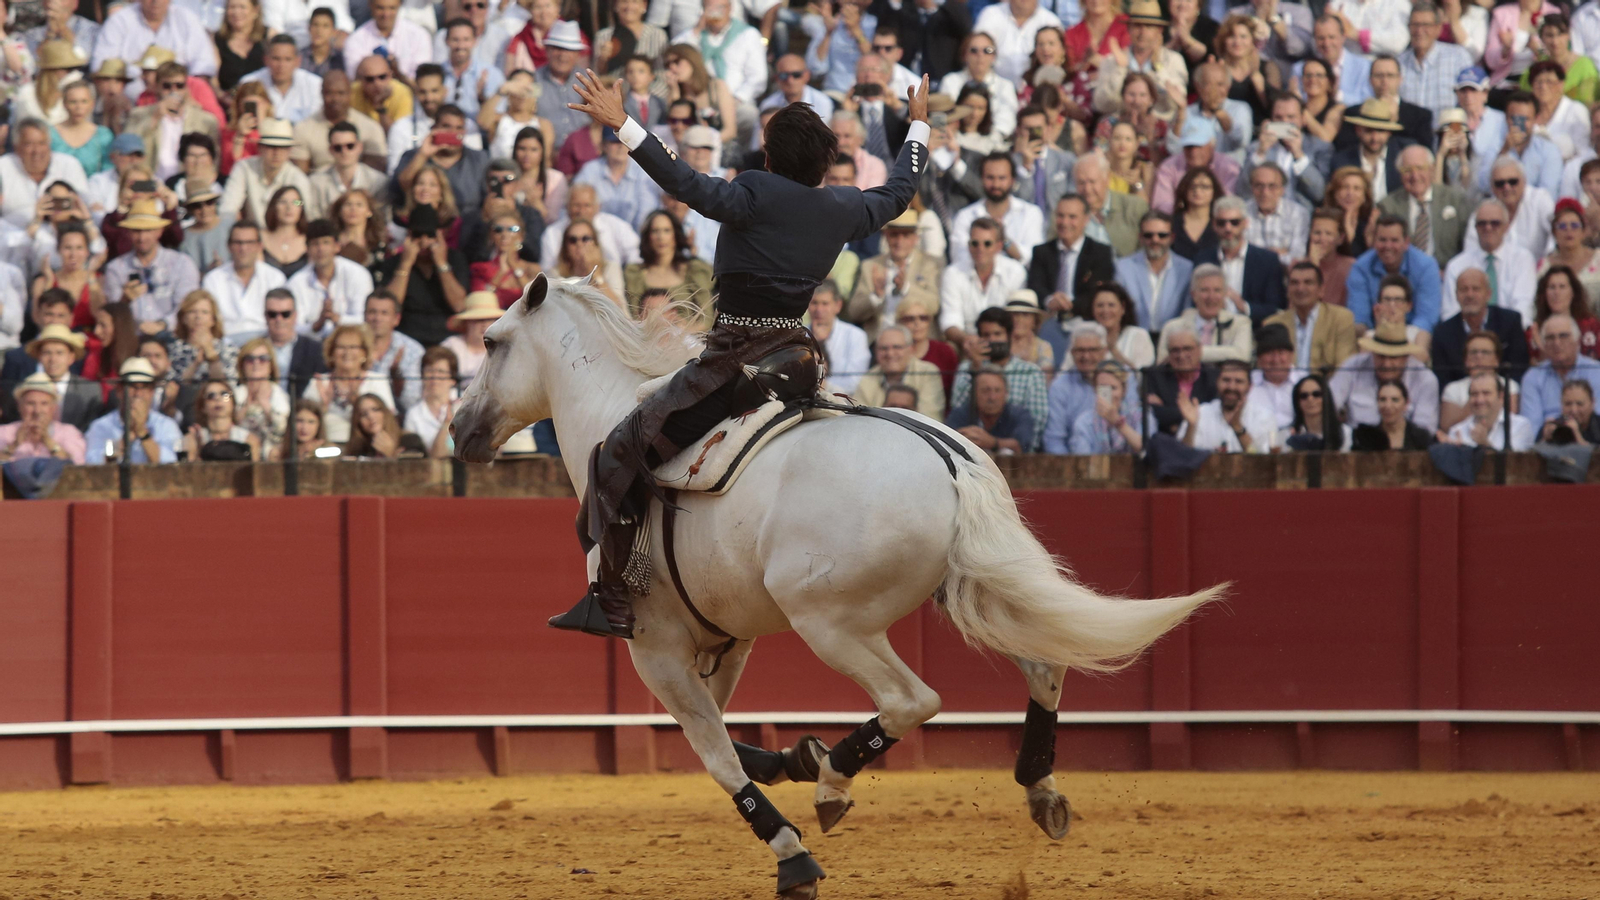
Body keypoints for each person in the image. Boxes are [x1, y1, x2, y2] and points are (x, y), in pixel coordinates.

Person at [548, 68, 930, 637]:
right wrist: (918, 124)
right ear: (823, 164)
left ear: (771, 160)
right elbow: (900, 191)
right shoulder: (843, 208)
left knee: (616, 451)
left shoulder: (754, 192)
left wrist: (621, 123)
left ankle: (613, 595)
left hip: (734, 362)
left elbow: (684, 182)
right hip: (799, 361)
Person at [103, 200, 202, 328]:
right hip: (132, 337)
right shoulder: (116, 268)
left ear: (159, 231)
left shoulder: (181, 263)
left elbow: (187, 305)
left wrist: (162, 325)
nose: (142, 238)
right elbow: (112, 316)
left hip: (172, 335)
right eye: (136, 231)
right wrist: (124, 300)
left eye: (148, 230)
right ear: (128, 232)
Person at [1329, 320, 1441, 433]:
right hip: (1356, 445)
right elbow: (1328, 404)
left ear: (1406, 356)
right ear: (1372, 352)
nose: (1386, 364)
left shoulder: (1425, 379)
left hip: (1406, 447)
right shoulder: (1353, 366)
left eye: (1393, 357)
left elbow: (1424, 430)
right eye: (1381, 356)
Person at [845, 209, 939, 341]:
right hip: (879, 342)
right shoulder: (870, 266)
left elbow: (934, 305)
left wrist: (905, 288)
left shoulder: (929, 264)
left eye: (906, 235)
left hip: (916, 341)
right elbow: (854, 312)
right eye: (894, 235)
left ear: (915, 238)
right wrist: (875, 296)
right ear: (886, 236)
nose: (899, 241)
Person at [1441, 199, 1537, 324]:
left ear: (1506, 227)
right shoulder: (1457, 265)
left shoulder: (1522, 259)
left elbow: (1523, 309)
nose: (1488, 228)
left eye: (1495, 223)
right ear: (1475, 227)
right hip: (1467, 337)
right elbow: (1450, 312)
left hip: (1510, 335)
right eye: (1482, 223)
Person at [1376, 145, 1468, 270]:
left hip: (1447, 273)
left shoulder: (1455, 200)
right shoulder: (1388, 206)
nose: (1415, 176)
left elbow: (1467, 246)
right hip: (1403, 276)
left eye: (1420, 168)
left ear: (1432, 169)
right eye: (1407, 170)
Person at [91, 0, 218, 88]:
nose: (155, 1)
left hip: (179, 87)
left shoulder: (187, 18)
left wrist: (188, 88)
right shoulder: (119, 20)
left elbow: (204, 64)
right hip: (131, 90)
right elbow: (101, 65)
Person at [1347, 215, 1441, 333]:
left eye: (1394, 240)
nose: (1388, 246)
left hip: (1414, 334)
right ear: (1374, 241)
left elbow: (1427, 317)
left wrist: (1402, 338)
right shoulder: (1360, 268)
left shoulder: (1426, 266)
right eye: (1382, 240)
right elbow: (1359, 317)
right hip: (1375, 334)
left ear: (1406, 242)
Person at [942, 216, 1029, 345]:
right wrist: (967, 341)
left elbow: (1016, 320)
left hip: (1005, 344)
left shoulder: (1015, 272)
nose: (980, 249)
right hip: (967, 344)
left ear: (999, 246)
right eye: (975, 243)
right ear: (969, 245)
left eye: (987, 244)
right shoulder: (953, 273)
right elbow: (950, 321)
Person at [305, 323, 396, 443]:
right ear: (331, 353)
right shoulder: (319, 383)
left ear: (364, 353)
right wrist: (322, 408)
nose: (347, 352)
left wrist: (358, 406)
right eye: (341, 347)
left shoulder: (377, 381)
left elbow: (389, 423)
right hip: (326, 448)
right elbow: (303, 422)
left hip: (367, 447)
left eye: (353, 347)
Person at [1264, 261, 1358, 377]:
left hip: (1326, 391)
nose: (1300, 288)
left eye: (1308, 283)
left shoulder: (1341, 319)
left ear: (1321, 290)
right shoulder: (1273, 324)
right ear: (1288, 290)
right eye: (1294, 283)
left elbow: (1344, 369)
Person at [83, 356, 181, 464]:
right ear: (119, 391)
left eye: (144, 387)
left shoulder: (165, 425)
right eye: (132, 387)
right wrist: (125, 440)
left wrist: (142, 432)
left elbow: (170, 464)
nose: (138, 394)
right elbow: (92, 463)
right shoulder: (101, 426)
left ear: (152, 392)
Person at [286, 219, 375, 336]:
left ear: (337, 247)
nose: (320, 249)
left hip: (352, 341)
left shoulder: (357, 274)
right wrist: (318, 324)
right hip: (311, 346)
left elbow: (365, 318)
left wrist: (337, 319)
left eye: (326, 242)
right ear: (307, 249)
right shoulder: (296, 282)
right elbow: (293, 327)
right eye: (315, 244)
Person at [220, 119, 312, 229]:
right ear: (260, 148)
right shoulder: (244, 168)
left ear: (289, 151)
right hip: (252, 238)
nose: (276, 153)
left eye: (282, 148)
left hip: (284, 235)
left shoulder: (297, 178)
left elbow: (302, 206)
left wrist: (292, 203)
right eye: (271, 147)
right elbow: (229, 207)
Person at [201, 221, 286, 341]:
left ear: (259, 246)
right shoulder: (213, 279)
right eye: (238, 243)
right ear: (229, 246)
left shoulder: (275, 278)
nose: (243, 248)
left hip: (266, 340)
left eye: (249, 242)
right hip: (226, 341)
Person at [292, 70, 389, 174]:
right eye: (329, 93)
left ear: (350, 94)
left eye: (341, 93)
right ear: (321, 94)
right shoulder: (303, 129)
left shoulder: (371, 128)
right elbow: (300, 174)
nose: (335, 99)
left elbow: (375, 174)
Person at [1156, 263, 1252, 363]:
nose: (1211, 297)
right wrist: (1226, 352)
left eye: (1217, 290)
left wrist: (1193, 353)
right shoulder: (1172, 327)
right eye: (1204, 290)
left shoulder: (1240, 323)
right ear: (1193, 294)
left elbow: (1242, 355)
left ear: (1224, 294)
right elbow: (1163, 363)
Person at [1175, 358, 1277, 451]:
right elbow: (1184, 458)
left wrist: (1238, 428)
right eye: (1226, 380)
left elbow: (1264, 461)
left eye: (1239, 381)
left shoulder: (1264, 417)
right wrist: (1191, 426)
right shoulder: (1200, 413)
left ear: (1249, 387)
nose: (1231, 387)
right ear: (1217, 382)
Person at [1465, 156, 1554, 262]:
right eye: (1500, 183)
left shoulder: (1540, 199)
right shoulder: (1484, 212)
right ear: (1492, 188)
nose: (1506, 187)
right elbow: (1470, 253)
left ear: (1524, 181)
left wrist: (1546, 265)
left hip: (1539, 273)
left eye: (1513, 182)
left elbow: (1556, 233)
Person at [852, 323, 947, 421]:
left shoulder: (928, 373)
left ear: (911, 349)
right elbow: (858, 419)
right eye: (884, 348)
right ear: (876, 352)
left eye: (897, 347)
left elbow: (930, 419)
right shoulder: (868, 378)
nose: (890, 353)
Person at [12, 324, 100, 428]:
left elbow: (92, 429)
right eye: (47, 353)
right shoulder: (24, 389)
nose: (53, 359)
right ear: (39, 357)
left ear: (71, 357)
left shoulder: (89, 390)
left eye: (59, 353)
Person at [1521, 313, 1600, 428]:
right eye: (1550, 338)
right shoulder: (1533, 377)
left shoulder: (1596, 371)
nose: (1557, 343)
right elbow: (1532, 428)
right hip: (1548, 442)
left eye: (1563, 336)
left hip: (1591, 441)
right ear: (1544, 344)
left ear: (1577, 341)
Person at [1150, 116, 1240, 215]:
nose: (1194, 151)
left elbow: (1229, 203)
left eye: (1199, 146)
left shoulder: (1229, 167)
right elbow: (1162, 205)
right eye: (1189, 146)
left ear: (1212, 145)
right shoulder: (1169, 167)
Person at [1398, 2, 1475, 117]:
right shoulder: (1399, 62)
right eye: (1415, 25)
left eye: (1426, 25)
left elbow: (1470, 98)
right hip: (1409, 133)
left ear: (1438, 28)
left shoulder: (1458, 57)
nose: (1419, 31)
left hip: (1447, 131)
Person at [937, 32, 1018, 140]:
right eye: (974, 51)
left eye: (987, 51)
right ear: (964, 55)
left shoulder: (1005, 86)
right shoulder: (950, 81)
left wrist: (984, 144)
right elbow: (941, 117)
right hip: (953, 140)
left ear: (994, 56)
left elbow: (1006, 123)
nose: (980, 55)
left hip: (992, 144)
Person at [1481, 91, 1562, 197]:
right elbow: (1483, 186)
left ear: (1535, 119)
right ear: (1506, 118)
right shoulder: (1495, 146)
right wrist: (1504, 151)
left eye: (1525, 119)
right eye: (1514, 118)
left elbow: (1548, 193)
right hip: (1502, 208)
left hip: (1535, 210)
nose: (1519, 124)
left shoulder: (1549, 150)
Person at [1439, 330, 1522, 432]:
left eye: (1485, 352)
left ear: (1496, 360)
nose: (1478, 357)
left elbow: (1510, 418)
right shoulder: (1453, 388)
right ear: (1466, 360)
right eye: (1473, 352)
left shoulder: (1510, 385)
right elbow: (1447, 426)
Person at [0, 372, 87, 464]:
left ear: (54, 408)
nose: (37, 411)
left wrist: (48, 441)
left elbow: (78, 466)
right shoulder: (4, 432)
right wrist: (14, 445)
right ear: (19, 406)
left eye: (44, 403)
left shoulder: (69, 433)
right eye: (30, 403)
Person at [946, 365, 1035, 455]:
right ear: (974, 394)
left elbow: (1022, 446)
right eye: (985, 391)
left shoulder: (1020, 415)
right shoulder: (960, 414)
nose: (992, 397)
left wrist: (993, 443)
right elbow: (948, 441)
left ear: (1006, 393)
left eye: (997, 390)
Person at [361, 292, 425, 413]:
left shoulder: (413, 350)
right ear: (364, 316)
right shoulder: (352, 346)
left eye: (384, 313)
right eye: (372, 312)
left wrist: (397, 383)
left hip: (399, 419)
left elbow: (412, 403)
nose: (377, 318)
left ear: (396, 319)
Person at [1064, 360, 1143, 454]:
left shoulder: (1139, 415)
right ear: (1095, 389)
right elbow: (1082, 459)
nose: (1109, 394)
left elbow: (1146, 448)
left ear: (1124, 390)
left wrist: (1118, 422)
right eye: (1103, 388)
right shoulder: (1084, 422)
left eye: (1113, 388)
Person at [240, 35, 323, 125]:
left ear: (298, 61)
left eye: (287, 59)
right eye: (276, 59)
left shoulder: (315, 85)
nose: (281, 65)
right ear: (266, 60)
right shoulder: (250, 83)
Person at [1528, 263, 1600, 365]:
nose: (1557, 292)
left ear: (1573, 293)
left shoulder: (1591, 326)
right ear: (1544, 294)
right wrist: (1541, 350)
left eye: (1562, 287)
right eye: (1552, 287)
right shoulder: (1534, 332)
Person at [343, 0, 433, 81]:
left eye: (392, 8)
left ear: (400, 5)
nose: (386, 14)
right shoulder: (356, 39)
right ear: (370, 5)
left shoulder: (419, 35)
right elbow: (355, 80)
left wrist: (397, 72)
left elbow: (422, 83)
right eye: (380, 8)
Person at [1445, 371, 1535, 450]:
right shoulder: (1456, 431)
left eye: (1486, 393)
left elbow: (1513, 464)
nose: (1479, 400)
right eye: (1474, 394)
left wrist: (1485, 444)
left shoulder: (1520, 426)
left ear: (1501, 397)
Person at [1243, 163, 1309, 268]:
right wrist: (1280, 253)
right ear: (1251, 188)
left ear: (1282, 189)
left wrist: (1258, 254)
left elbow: (1297, 257)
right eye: (1259, 186)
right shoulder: (1241, 212)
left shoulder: (1298, 213)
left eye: (1272, 186)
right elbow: (1238, 255)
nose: (1265, 192)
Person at [234, 335, 290, 452]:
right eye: (249, 359)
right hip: (238, 453)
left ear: (271, 365)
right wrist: (245, 407)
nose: (256, 363)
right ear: (242, 364)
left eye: (263, 358)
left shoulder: (281, 396)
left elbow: (284, 431)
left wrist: (266, 407)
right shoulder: (231, 393)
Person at [181, 379, 259, 459]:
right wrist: (197, 448)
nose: (217, 399)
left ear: (233, 403)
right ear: (203, 407)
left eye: (224, 395)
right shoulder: (193, 438)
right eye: (211, 396)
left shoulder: (249, 440)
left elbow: (255, 470)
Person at [406, 345, 460, 458]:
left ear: (452, 379)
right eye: (430, 371)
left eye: (441, 371)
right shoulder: (413, 414)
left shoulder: (466, 404)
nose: (435, 377)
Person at [1349, 380, 1434, 451]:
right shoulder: (1367, 438)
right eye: (1382, 399)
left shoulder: (1421, 437)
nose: (1388, 406)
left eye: (1395, 400)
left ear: (1406, 403)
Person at [1087, 282, 1153, 372]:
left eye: (1111, 305)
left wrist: (1113, 350)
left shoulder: (1139, 335)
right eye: (1100, 305)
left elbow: (1142, 376)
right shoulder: (1083, 336)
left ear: (1123, 308)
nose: (1105, 310)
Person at [342, 393, 426, 458]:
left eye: (375, 409)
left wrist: (391, 455)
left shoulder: (410, 441)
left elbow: (417, 473)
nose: (370, 417)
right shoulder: (359, 449)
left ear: (385, 412)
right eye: (363, 414)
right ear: (358, 422)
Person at [215, 0, 269, 92]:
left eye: (242, 7)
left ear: (255, 10)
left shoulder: (268, 36)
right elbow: (213, 78)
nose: (236, 12)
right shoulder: (217, 39)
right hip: (226, 100)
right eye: (232, 7)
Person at [1285, 373, 1348, 451]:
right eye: (1303, 396)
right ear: (1297, 401)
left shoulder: (1346, 433)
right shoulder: (1286, 435)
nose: (1310, 399)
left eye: (1317, 394)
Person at [331, 188, 387, 268]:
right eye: (348, 204)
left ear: (369, 211)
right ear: (339, 211)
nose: (353, 209)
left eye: (359, 205)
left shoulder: (377, 243)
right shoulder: (332, 241)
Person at [261, 185, 309, 277]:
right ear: (273, 206)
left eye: (296, 202)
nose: (289, 207)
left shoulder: (310, 239)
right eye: (283, 202)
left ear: (301, 208)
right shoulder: (260, 238)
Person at [1538, 379, 1600, 444]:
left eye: (1579, 404)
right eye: (1568, 404)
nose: (1574, 410)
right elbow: (1532, 452)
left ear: (1592, 403)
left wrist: (1578, 438)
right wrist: (1544, 440)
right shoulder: (1554, 426)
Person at [298, 6, 347, 77]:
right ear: (309, 28)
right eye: (315, 25)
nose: (319, 31)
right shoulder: (299, 57)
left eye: (325, 26)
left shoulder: (340, 59)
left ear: (334, 32)